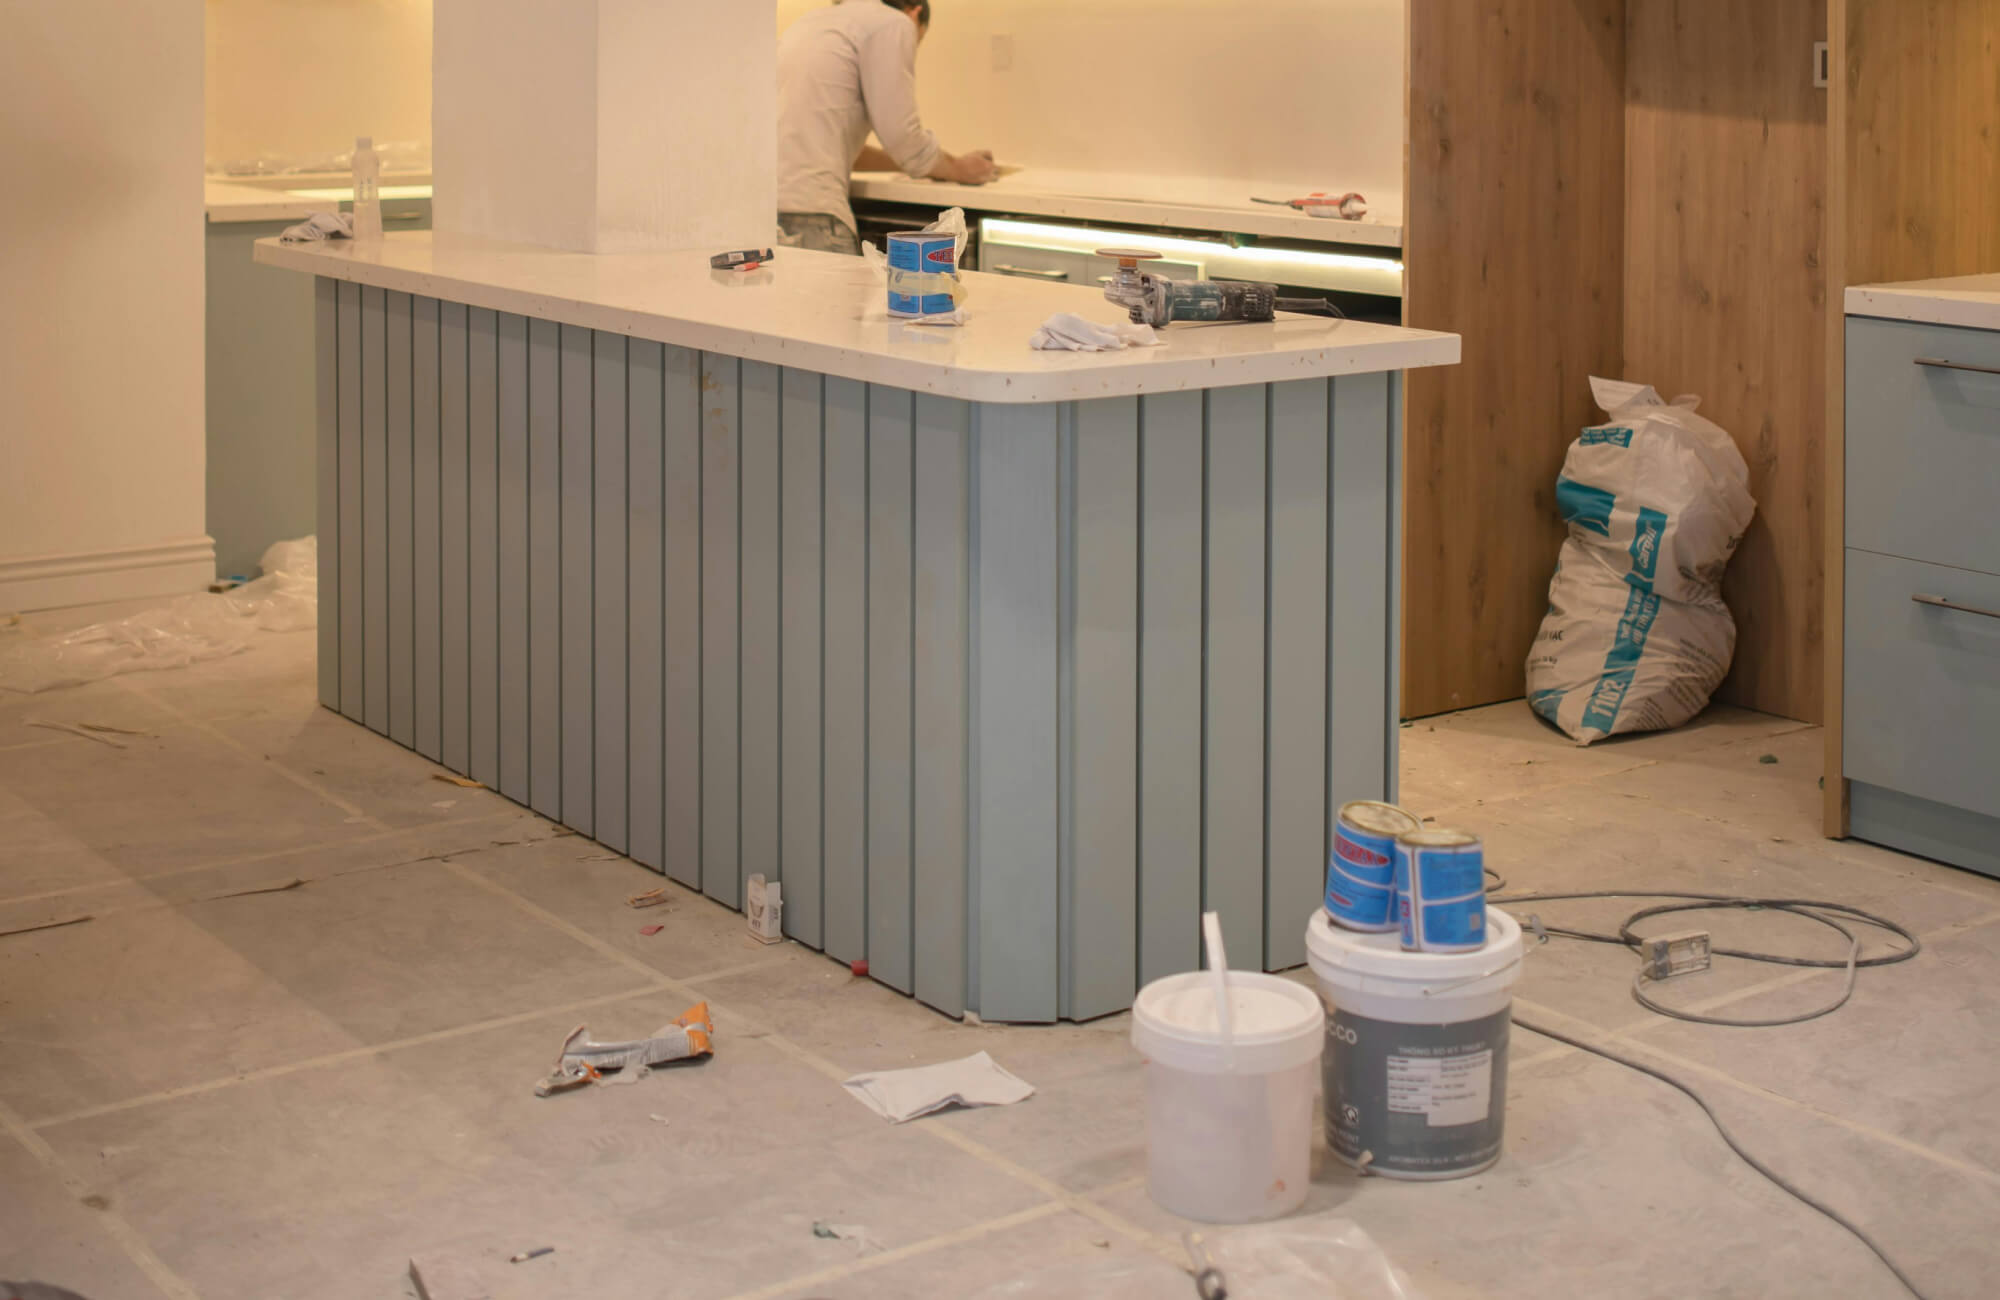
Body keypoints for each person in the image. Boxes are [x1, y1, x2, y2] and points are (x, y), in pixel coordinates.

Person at [776, 0, 999, 255]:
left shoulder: (809, 24)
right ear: (915, 13)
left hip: (766, 215)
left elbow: (843, 151)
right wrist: (959, 169)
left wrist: (931, 167)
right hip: (816, 220)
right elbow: (904, 139)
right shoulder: (892, 22)